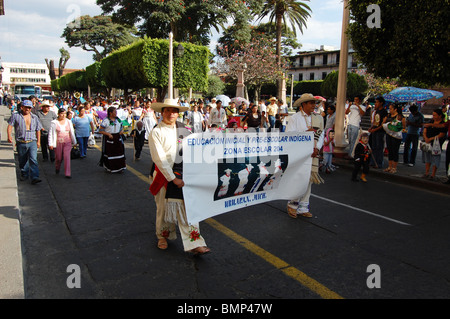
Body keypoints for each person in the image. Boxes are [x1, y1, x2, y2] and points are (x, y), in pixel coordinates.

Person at [148, 98, 210, 255]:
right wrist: (172, 178)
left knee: (188, 209)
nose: (170, 114)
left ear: (178, 114)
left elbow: (193, 151)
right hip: (163, 176)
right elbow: (159, 158)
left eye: (174, 111)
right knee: (163, 208)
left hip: (183, 175)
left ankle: (195, 242)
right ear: (162, 112)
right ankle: (162, 236)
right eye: (167, 110)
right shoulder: (156, 132)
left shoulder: (185, 130)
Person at [286, 94, 324, 218]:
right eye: (311, 103)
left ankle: (303, 207)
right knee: (298, 178)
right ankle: (292, 205)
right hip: (299, 153)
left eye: (314, 103)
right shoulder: (295, 118)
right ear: (303, 104)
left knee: (309, 180)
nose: (314, 105)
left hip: (312, 153)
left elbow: (321, 134)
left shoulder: (318, 118)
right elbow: (289, 135)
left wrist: (317, 148)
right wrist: (305, 133)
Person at [7, 100, 43, 184]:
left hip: (32, 141)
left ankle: (35, 176)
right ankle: (24, 173)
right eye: (26, 107)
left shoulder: (34, 117)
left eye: (29, 108)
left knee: (33, 159)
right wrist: (9, 136)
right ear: (22, 107)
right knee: (22, 159)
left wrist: (38, 141)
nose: (28, 109)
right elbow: (10, 126)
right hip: (21, 141)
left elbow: (38, 130)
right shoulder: (16, 115)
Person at [48, 109, 77, 178]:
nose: (63, 115)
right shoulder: (54, 122)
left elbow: (72, 132)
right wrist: (50, 143)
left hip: (67, 142)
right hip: (58, 142)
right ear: (58, 114)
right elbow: (51, 133)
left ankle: (67, 173)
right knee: (59, 158)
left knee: (67, 156)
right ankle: (57, 167)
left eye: (64, 114)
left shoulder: (68, 121)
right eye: (61, 113)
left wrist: (74, 142)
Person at [98, 106, 126, 173]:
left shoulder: (118, 119)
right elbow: (100, 130)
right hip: (110, 139)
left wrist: (121, 131)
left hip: (117, 138)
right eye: (115, 112)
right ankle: (111, 168)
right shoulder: (106, 120)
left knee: (119, 153)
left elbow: (121, 127)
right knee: (110, 154)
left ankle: (119, 168)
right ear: (110, 113)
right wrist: (108, 134)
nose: (116, 113)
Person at [422, 109, 446, 181]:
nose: (434, 116)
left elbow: (441, 134)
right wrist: (426, 137)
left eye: (435, 115)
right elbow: (425, 130)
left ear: (440, 116)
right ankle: (427, 172)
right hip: (428, 142)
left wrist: (432, 138)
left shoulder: (442, 124)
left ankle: (433, 174)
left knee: (435, 158)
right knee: (427, 157)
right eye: (433, 115)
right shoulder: (430, 122)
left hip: (436, 143)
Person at [382, 104, 404, 174]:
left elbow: (403, 126)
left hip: (396, 136)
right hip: (389, 134)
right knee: (390, 150)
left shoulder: (399, 116)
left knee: (395, 151)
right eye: (389, 109)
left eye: (391, 109)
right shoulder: (388, 115)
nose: (390, 110)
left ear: (395, 109)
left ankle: (394, 167)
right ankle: (390, 166)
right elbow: (383, 122)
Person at [368, 97, 388, 168]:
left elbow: (383, 124)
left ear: (381, 103)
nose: (375, 104)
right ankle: (373, 161)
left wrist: (375, 129)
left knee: (379, 147)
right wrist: (372, 127)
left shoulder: (384, 112)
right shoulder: (376, 111)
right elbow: (375, 122)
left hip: (380, 132)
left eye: (377, 102)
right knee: (374, 147)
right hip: (374, 130)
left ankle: (379, 163)